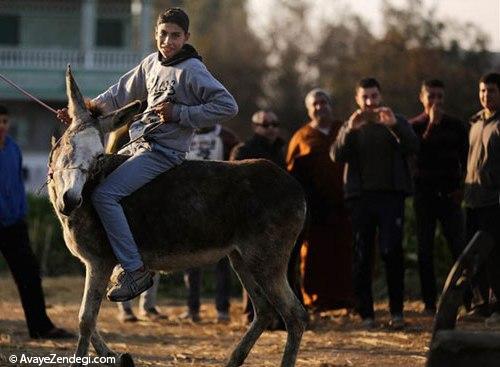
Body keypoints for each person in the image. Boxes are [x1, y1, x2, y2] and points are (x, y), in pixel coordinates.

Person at [56, 7, 238, 302]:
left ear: (186, 37)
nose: (168, 41)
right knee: (93, 177)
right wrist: (81, 115)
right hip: (137, 145)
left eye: (175, 36)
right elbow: (117, 94)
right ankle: (115, 254)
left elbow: (228, 106)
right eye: (163, 34)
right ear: (155, 34)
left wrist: (181, 113)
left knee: (104, 196)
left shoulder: (193, 70)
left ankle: (136, 270)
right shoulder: (151, 63)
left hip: (164, 152)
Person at [330, 78, 419, 329]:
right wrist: (350, 130)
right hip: (361, 199)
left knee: (392, 252)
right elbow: (336, 155)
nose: (370, 102)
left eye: (374, 96)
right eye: (365, 97)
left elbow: (413, 146)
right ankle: (366, 314)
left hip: (391, 197)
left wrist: (394, 127)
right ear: (358, 99)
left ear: (380, 96)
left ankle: (397, 312)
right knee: (362, 255)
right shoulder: (352, 124)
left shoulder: (394, 119)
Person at [0, 105, 73, 339]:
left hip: (14, 223)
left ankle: (41, 327)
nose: (1, 126)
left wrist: (21, 211)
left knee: (29, 275)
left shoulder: (13, 148)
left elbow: (16, 184)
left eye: (4, 121)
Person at [286, 89, 354, 312]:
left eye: (323, 102)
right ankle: (316, 300)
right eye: (315, 104)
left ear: (330, 104)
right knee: (314, 254)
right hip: (316, 207)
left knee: (346, 251)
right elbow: (291, 172)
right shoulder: (301, 137)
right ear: (308, 109)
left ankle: (348, 297)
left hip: (345, 202)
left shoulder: (344, 129)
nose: (319, 107)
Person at [409, 79, 468, 314]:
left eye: (439, 97)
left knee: (459, 249)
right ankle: (430, 303)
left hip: (450, 195)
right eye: (431, 96)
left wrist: (462, 188)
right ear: (422, 98)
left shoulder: (456, 125)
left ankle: (466, 299)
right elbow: (415, 155)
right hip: (425, 196)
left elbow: (466, 158)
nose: (436, 101)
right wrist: (431, 126)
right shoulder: (413, 126)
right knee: (425, 250)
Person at [230, 110, 290, 325]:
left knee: (278, 268)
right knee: (252, 267)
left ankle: (280, 316)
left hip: (278, 218)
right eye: (266, 125)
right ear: (256, 127)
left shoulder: (283, 149)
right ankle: (253, 314)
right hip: (252, 219)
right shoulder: (243, 150)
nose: (272, 128)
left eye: (275, 123)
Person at [104, 129, 166, 323]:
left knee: (149, 258)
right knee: (123, 260)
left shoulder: (152, 132)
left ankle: (148, 306)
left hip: (145, 206)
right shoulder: (120, 135)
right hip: (124, 208)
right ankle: (125, 308)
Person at [182, 123, 239, 322]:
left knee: (223, 258)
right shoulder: (182, 135)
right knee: (190, 260)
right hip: (189, 207)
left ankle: (222, 309)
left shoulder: (226, 136)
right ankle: (192, 308)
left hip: (219, 208)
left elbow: (237, 166)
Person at [463, 72, 500, 326]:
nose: (486, 95)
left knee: (495, 255)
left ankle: (497, 307)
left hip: (494, 201)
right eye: (483, 91)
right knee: (473, 256)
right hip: (472, 199)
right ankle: (480, 304)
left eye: (492, 91)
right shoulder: (475, 122)